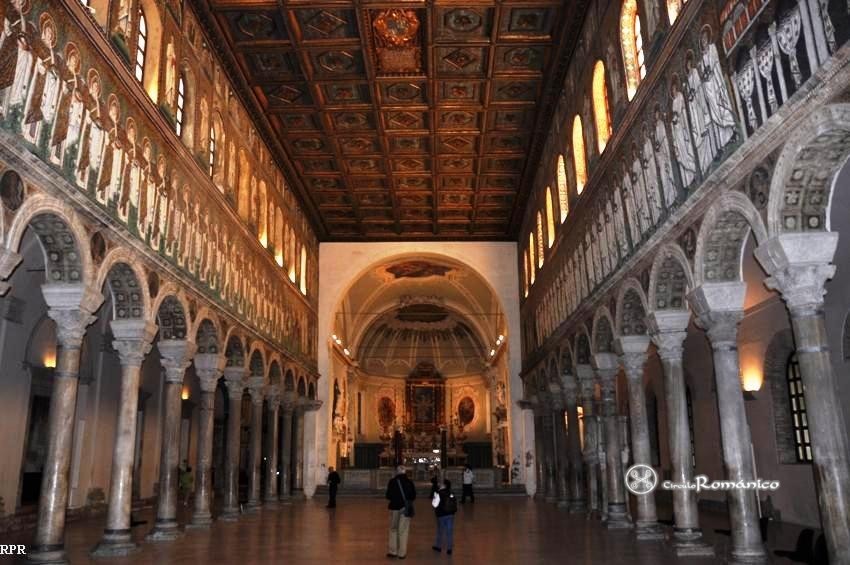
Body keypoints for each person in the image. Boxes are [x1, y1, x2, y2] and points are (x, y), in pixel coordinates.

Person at [385, 464, 416, 559]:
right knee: (403, 531)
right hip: (405, 509)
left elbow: (388, 496)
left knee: (393, 529)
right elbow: (413, 496)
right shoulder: (409, 482)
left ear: (397, 471)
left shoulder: (392, 482)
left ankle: (392, 551)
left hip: (394, 508)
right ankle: (402, 553)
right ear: (405, 472)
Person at [431, 479, 457, 555]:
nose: (439, 484)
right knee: (449, 531)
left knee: (440, 531)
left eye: (441, 484)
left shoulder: (439, 493)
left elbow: (434, 505)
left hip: (441, 515)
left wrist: (434, 496)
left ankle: (438, 547)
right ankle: (449, 549)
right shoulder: (451, 492)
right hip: (451, 514)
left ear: (444, 485)